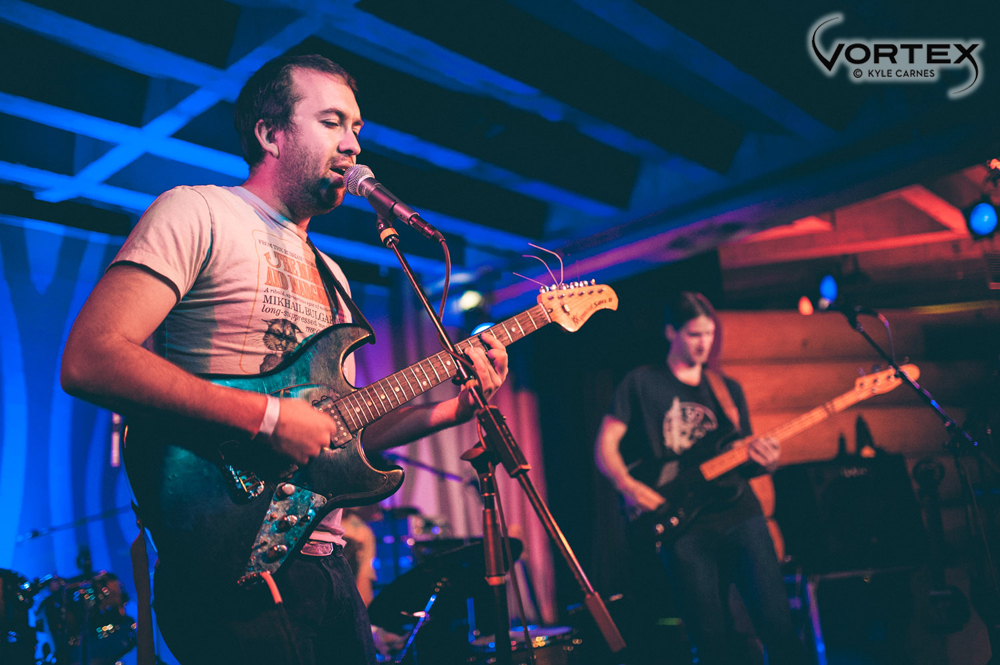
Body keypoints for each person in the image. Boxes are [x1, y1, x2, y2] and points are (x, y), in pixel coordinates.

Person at [61, 54, 508, 665]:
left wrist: (452, 409)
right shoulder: (197, 211)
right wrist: (268, 419)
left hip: (324, 560)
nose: (352, 144)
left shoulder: (334, 276)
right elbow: (91, 357)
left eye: (356, 127)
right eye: (332, 121)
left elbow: (340, 428)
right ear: (270, 134)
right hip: (227, 559)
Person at [594, 292, 802, 664]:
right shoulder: (641, 383)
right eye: (694, 334)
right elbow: (605, 445)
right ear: (671, 332)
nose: (704, 342)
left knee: (778, 626)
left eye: (709, 333)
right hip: (684, 525)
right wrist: (628, 486)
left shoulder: (726, 388)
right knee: (710, 639)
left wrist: (766, 462)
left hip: (741, 515)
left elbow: (744, 457)